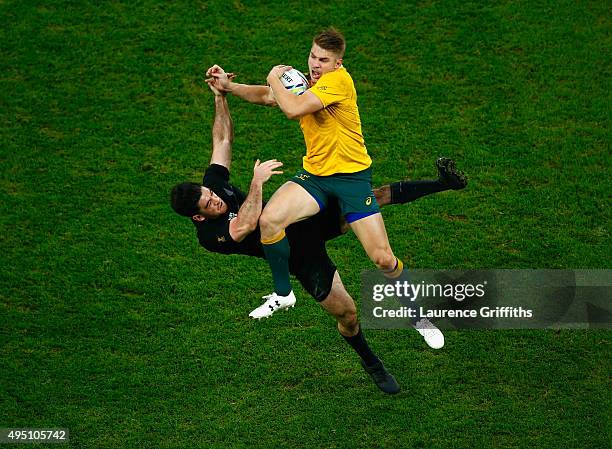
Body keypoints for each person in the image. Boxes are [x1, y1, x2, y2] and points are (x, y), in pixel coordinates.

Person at [170, 79, 467, 394]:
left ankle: (444, 184)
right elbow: (244, 225)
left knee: (372, 198)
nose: (216, 198)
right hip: (300, 256)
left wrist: (221, 97)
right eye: (209, 203)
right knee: (348, 315)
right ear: (198, 216)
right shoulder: (209, 235)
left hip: (304, 220)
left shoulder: (213, 186)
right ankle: (373, 364)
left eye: (210, 193)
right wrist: (257, 183)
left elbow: (222, 139)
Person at [205, 28, 438, 326]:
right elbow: (268, 96)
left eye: (323, 60)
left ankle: (417, 315)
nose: (315, 64)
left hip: (351, 180)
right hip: (314, 176)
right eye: (313, 56)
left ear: (337, 63)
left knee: (382, 258)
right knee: (270, 220)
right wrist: (229, 86)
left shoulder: (338, 82)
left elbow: (292, 108)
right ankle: (283, 293)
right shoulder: (308, 80)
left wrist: (274, 77)